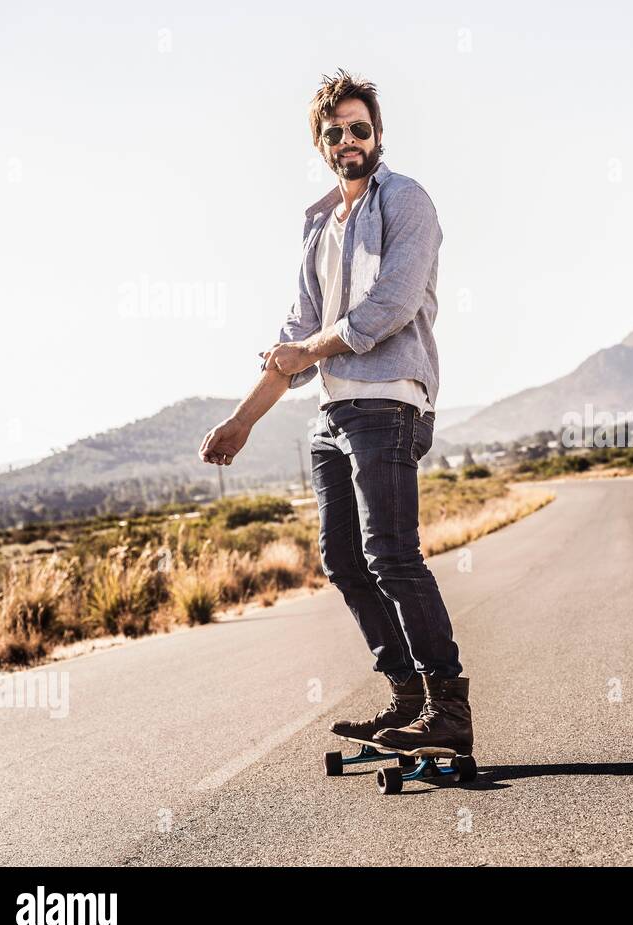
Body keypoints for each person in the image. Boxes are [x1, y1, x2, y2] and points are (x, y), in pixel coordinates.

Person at [198, 69, 472, 755]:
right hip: (332, 415)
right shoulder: (317, 223)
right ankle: (406, 698)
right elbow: (295, 338)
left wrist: (305, 352)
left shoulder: (407, 201)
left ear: (378, 134)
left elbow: (389, 308)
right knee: (344, 560)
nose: (349, 140)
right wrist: (242, 421)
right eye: (335, 132)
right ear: (319, 143)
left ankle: (450, 709)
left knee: (391, 554)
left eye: (360, 128)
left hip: (388, 400)